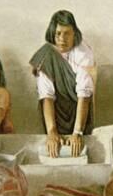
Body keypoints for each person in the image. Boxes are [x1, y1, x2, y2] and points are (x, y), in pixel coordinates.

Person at [29, 10, 95, 158]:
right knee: (54, 151)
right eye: (58, 33)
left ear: (74, 34)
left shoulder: (84, 53)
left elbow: (84, 95)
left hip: (78, 109)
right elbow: (47, 96)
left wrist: (77, 132)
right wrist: (52, 131)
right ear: (53, 33)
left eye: (67, 33)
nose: (62, 39)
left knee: (78, 152)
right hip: (56, 111)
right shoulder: (46, 54)